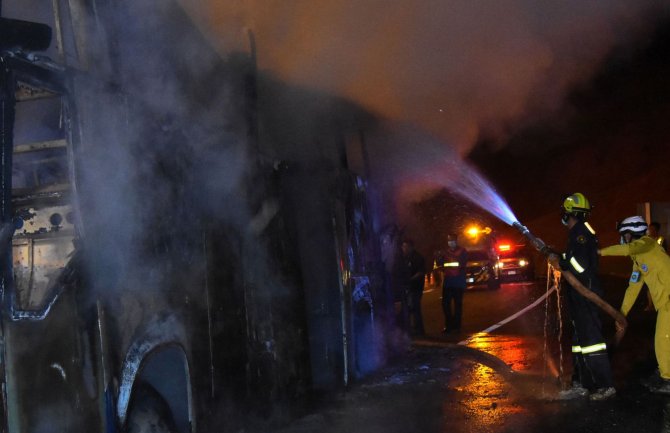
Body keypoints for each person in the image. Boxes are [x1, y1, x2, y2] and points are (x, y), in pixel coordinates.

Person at [554, 193, 615, 401]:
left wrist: (562, 263)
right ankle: (583, 383)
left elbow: (580, 265)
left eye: (565, 213)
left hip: (585, 292)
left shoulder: (579, 233)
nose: (563, 218)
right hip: (579, 292)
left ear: (570, 214)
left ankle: (605, 385)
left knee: (592, 341)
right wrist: (559, 257)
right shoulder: (580, 231)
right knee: (580, 341)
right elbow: (573, 259)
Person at [599, 216, 670, 394]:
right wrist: (621, 314)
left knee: (663, 340)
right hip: (665, 302)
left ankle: (667, 379)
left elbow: (628, 248)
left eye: (625, 234)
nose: (623, 238)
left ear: (632, 234)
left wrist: (599, 252)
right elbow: (633, 286)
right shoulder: (638, 259)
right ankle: (665, 373)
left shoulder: (647, 244)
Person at [441, 233, 468, 334]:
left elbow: (461, 264)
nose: (450, 242)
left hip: (458, 282)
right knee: (445, 305)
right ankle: (449, 326)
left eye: (452, 240)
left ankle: (456, 327)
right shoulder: (445, 252)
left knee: (457, 305)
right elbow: (441, 265)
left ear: (456, 241)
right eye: (449, 240)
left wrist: (448, 262)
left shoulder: (462, 251)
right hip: (448, 282)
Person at [401, 239, 426, 336]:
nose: (404, 249)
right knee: (408, 308)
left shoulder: (418, 258)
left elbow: (420, 272)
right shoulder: (404, 258)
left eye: (406, 247)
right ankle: (410, 329)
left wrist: (410, 279)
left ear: (411, 247)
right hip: (407, 287)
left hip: (416, 287)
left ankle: (419, 330)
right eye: (403, 247)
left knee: (415, 308)